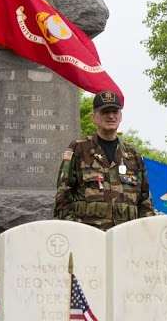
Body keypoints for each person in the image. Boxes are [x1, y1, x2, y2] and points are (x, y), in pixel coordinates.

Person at [54, 90, 155, 230]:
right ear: (94, 117)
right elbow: (63, 196)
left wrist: (147, 233)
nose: (111, 116)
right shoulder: (79, 149)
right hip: (89, 237)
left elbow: (145, 202)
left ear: (120, 116)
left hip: (126, 238)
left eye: (115, 112)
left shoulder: (133, 154)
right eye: (105, 112)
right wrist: (74, 231)